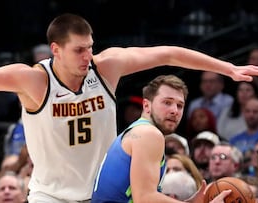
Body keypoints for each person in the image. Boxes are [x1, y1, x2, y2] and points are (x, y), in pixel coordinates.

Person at [0, 13, 258, 202]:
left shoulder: (106, 67)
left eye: (90, 48)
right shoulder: (32, 80)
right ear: (55, 50)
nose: (88, 56)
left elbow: (169, 53)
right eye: (78, 51)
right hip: (52, 196)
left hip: (105, 193)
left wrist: (228, 69)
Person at [91, 75, 227, 202]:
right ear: (146, 105)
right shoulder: (149, 134)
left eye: (180, 105)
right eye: (167, 102)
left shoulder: (136, 131)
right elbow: (144, 198)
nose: (175, 110)